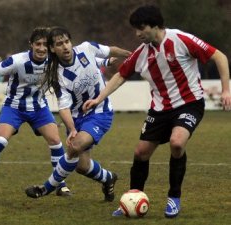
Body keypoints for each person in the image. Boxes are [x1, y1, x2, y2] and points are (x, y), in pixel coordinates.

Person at [83, 5, 231, 218]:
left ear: (155, 25)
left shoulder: (180, 39)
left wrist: (226, 90)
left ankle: (174, 197)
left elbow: (219, 56)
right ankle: (132, 197)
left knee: (177, 142)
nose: (137, 34)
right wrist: (98, 98)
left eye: (141, 28)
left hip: (189, 103)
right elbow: (120, 76)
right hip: (160, 110)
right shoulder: (141, 54)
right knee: (140, 152)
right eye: (135, 29)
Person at [0, 27, 71, 198]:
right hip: (14, 107)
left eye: (45, 44)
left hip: (39, 107)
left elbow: (77, 60)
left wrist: (105, 61)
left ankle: (60, 184)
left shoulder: (54, 60)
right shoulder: (17, 61)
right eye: (37, 44)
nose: (41, 48)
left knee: (56, 141)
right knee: (1, 140)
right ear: (31, 44)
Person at [25, 26, 131, 202]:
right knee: (82, 166)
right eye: (59, 44)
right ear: (52, 49)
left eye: (67, 41)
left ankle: (46, 188)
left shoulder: (87, 49)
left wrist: (129, 54)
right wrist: (72, 128)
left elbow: (110, 50)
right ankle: (108, 178)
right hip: (76, 118)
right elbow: (64, 107)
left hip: (100, 112)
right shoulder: (57, 76)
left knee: (75, 147)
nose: (65, 47)